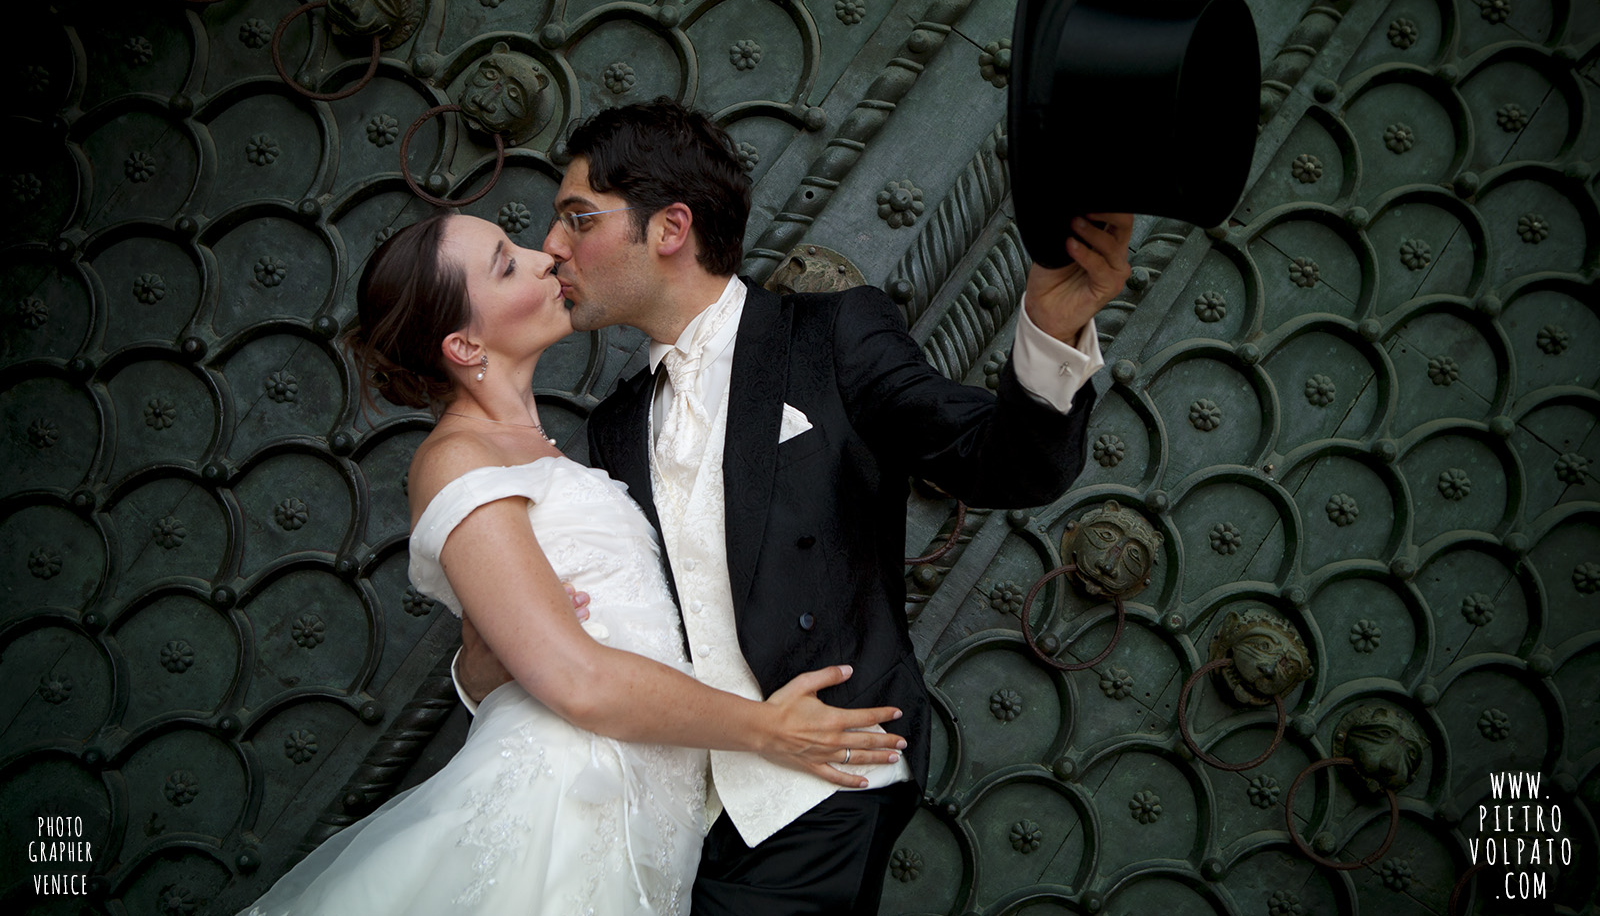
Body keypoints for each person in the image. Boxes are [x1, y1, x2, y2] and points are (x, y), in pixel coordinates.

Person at [455, 98, 1133, 914]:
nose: (553, 246)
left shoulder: (832, 334)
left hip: (831, 772)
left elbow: (1002, 464)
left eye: (577, 217)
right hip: (674, 816)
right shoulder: (615, 426)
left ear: (669, 228)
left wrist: (1053, 330)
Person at [237, 211, 908, 916]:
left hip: (648, 814)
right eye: (505, 262)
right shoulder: (458, 458)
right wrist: (769, 728)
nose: (542, 256)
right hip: (562, 803)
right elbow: (579, 678)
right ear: (465, 343)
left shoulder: (553, 450)